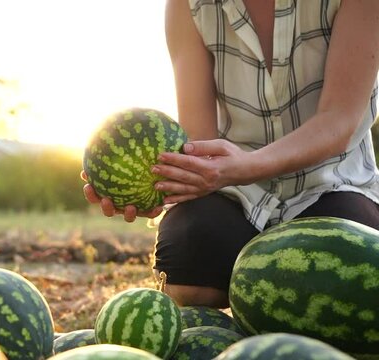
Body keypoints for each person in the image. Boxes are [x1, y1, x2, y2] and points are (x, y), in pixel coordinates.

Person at [82, 0, 379, 309]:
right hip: (233, 191)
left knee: (345, 285)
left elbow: (339, 120)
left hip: (333, 182)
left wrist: (248, 165)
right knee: (188, 276)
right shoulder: (187, 5)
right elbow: (199, 139)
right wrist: (157, 185)